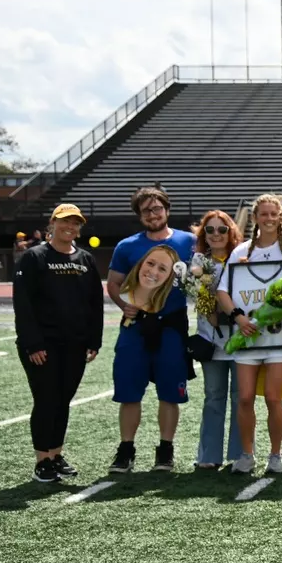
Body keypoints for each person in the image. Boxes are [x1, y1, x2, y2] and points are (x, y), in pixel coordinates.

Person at [223, 194, 282, 475]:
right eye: (262, 214)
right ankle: (247, 454)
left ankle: (275, 454)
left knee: (274, 397)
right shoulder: (240, 251)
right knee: (245, 398)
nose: (268, 218)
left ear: (281, 216)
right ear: (255, 218)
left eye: (273, 214)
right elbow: (222, 291)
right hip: (248, 337)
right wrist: (238, 318)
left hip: (281, 336)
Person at [106, 186, 196, 473]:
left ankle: (165, 450)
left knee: (170, 392)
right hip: (135, 326)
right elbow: (114, 284)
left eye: (157, 208)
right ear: (139, 216)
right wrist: (124, 305)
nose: (153, 214)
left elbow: (203, 278)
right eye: (146, 211)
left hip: (172, 326)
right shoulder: (126, 246)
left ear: (166, 209)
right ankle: (126, 449)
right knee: (129, 391)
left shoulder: (190, 242)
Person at [14, 204, 103, 483]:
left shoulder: (85, 259)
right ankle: (42, 460)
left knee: (63, 400)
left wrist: (94, 340)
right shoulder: (34, 257)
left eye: (76, 223)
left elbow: (95, 303)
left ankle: (56, 453)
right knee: (46, 399)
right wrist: (33, 344)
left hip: (75, 345)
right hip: (43, 346)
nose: (71, 227)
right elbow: (23, 304)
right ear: (52, 223)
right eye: (65, 221)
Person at [189, 208, 243, 471]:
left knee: (241, 398)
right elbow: (195, 298)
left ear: (230, 232)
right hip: (211, 342)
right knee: (213, 396)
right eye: (209, 230)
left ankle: (240, 455)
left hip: (242, 341)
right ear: (203, 234)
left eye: (222, 229)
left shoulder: (243, 258)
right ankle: (208, 455)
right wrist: (207, 305)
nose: (216, 234)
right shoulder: (198, 262)